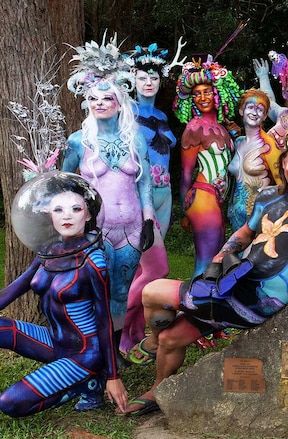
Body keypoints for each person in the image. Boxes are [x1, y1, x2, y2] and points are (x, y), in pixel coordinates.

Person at [124, 133, 288, 416]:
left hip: (260, 301)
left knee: (153, 292)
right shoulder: (268, 196)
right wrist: (223, 252)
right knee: (171, 338)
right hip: (233, 281)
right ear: (282, 162)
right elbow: (247, 231)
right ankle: (158, 388)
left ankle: (151, 341)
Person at [0, 172, 127, 416]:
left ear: (88, 214)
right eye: (58, 209)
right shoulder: (49, 252)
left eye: (75, 209)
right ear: (50, 215)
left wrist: (113, 376)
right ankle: (84, 382)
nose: (67, 215)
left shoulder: (94, 261)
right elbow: (13, 290)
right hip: (52, 340)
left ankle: (87, 383)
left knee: (9, 403)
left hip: (82, 354)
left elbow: (104, 319)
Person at [63, 35, 156, 352]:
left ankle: (112, 352)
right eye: (94, 99)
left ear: (119, 102)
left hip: (130, 230)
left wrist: (148, 220)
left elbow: (144, 181)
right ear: (87, 102)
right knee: (93, 291)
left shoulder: (135, 138)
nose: (100, 103)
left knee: (120, 292)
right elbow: (66, 185)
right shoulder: (78, 141)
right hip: (96, 232)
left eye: (107, 98)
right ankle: (89, 349)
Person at [123, 41, 183, 362]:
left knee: (142, 270)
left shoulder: (161, 114)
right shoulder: (125, 112)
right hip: (140, 196)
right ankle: (115, 327)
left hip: (165, 195)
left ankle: (131, 333)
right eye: (143, 76)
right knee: (153, 267)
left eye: (155, 77)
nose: (149, 82)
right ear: (132, 77)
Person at [174, 57, 243, 277]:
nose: (202, 97)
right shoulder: (194, 128)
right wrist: (185, 212)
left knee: (217, 262)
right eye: (196, 94)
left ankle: (203, 308)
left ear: (218, 93)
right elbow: (185, 175)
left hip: (218, 202)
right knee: (206, 263)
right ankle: (192, 306)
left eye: (207, 91)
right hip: (203, 198)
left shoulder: (223, 127)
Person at [227, 88, 281, 231]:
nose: (254, 112)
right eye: (250, 107)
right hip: (236, 217)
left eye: (260, 109)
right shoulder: (239, 142)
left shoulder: (269, 146)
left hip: (258, 218)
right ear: (241, 111)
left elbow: (284, 185)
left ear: (264, 116)